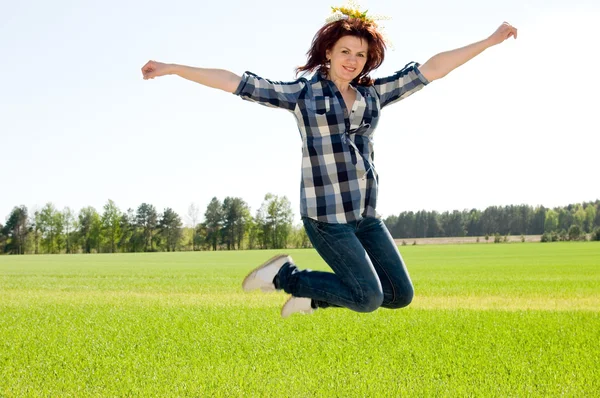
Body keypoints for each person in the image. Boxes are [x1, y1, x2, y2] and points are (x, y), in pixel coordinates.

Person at [141, 3, 517, 318]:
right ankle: (285, 276)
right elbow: (235, 82)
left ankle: (314, 297)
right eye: (345, 52)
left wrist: (488, 41)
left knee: (399, 295)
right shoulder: (302, 96)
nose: (352, 61)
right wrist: (173, 68)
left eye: (360, 55)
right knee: (368, 298)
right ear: (328, 53)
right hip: (326, 216)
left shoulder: (373, 95)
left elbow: (432, 69)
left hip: (365, 214)